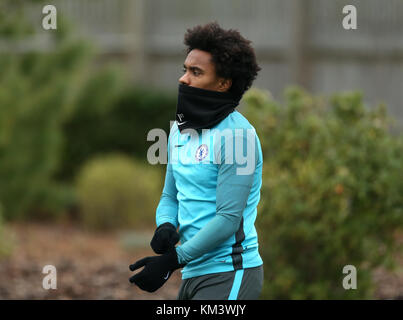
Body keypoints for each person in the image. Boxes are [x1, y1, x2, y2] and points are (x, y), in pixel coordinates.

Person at [129, 22, 264, 300]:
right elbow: (170, 195)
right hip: (193, 272)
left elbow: (228, 219)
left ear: (224, 83)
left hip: (230, 271)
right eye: (185, 70)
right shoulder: (179, 129)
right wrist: (165, 224)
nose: (183, 78)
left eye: (196, 72)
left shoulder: (239, 136)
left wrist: (173, 259)